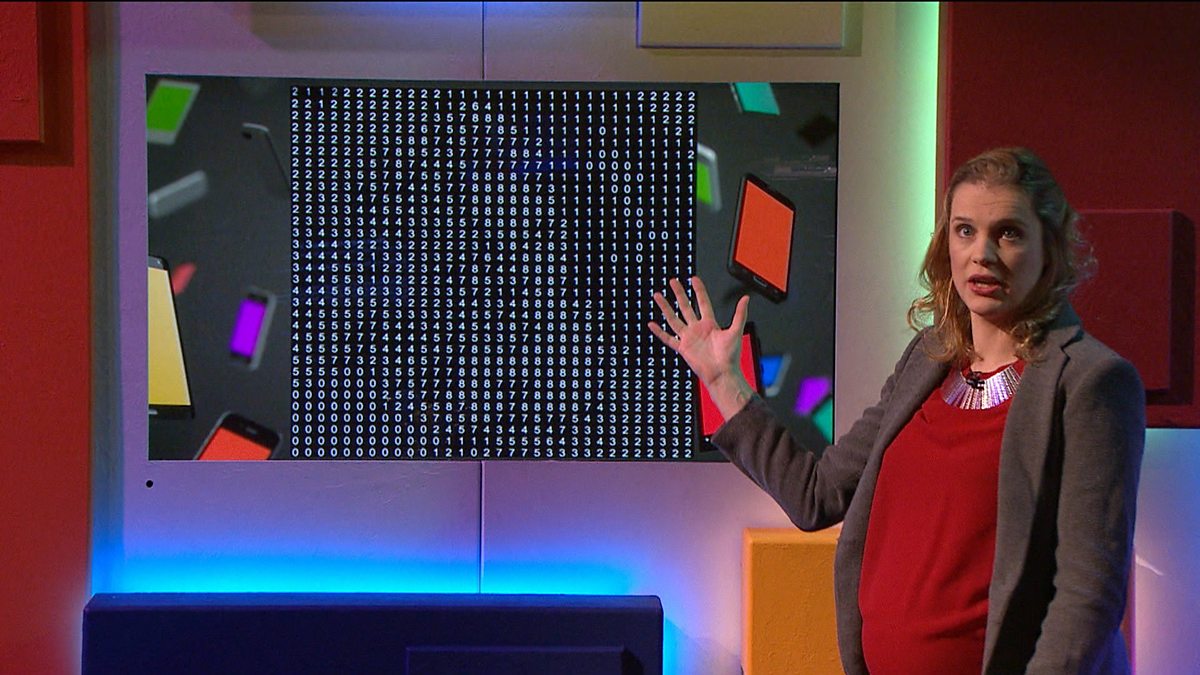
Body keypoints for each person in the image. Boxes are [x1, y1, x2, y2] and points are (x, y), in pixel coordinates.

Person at [649, 147, 1145, 674]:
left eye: (1008, 233)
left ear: (1049, 249)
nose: (982, 253)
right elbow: (816, 495)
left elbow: (1087, 595)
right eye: (965, 230)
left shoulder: (1090, 382)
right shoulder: (927, 358)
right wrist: (723, 381)